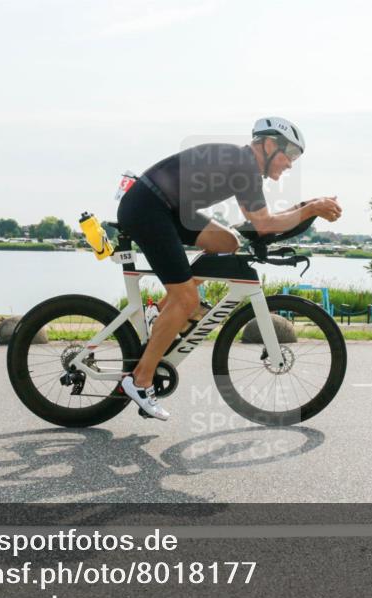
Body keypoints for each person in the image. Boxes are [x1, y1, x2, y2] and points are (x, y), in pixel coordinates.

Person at [115, 117, 342, 420]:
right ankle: (139, 380)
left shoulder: (244, 165)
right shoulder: (244, 166)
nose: (290, 164)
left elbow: (259, 222)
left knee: (227, 240)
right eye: (291, 154)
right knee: (188, 301)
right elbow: (263, 226)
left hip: (167, 208)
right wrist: (311, 209)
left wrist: (308, 205)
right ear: (270, 144)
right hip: (149, 208)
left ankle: (165, 310)